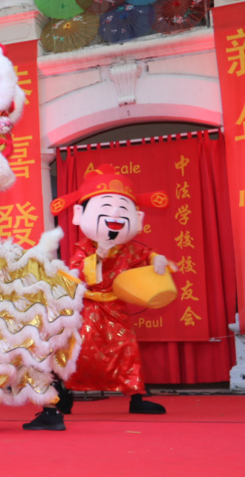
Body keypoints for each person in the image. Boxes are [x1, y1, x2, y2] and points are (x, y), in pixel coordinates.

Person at [50, 164, 176, 414]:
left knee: (126, 349)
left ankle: (137, 397)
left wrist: (158, 259)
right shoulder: (83, 248)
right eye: (106, 207)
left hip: (115, 307)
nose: (115, 215)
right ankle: (64, 391)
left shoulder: (130, 249)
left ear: (138, 219)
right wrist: (98, 256)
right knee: (79, 350)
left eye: (123, 209)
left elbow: (147, 255)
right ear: (79, 214)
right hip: (87, 308)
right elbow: (78, 274)